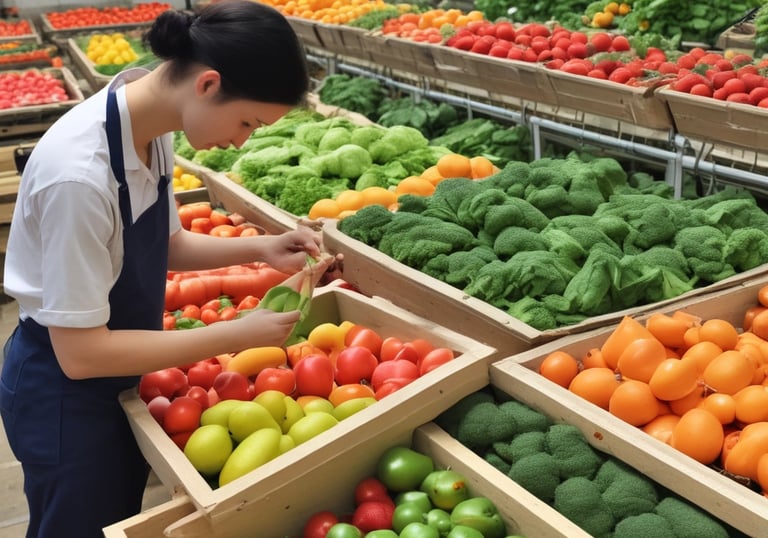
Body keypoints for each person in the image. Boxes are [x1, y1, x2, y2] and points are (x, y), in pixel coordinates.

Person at [0, 2, 331, 536]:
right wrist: (234, 333)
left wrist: (264, 248)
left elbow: (165, 244)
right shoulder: (80, 177)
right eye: (247, 121)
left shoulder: (150, 127)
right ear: (207, 84)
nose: (243, 139)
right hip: (64, 395)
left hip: (119, 375)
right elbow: (81, 354)